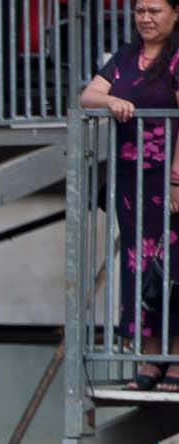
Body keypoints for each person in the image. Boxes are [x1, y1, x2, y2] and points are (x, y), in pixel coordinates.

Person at [82, 0, 179, 390]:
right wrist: (111, 100)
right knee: (138, 264)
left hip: (168, 178)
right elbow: (87, 96)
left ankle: (175, 357)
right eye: (140, 10)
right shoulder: (124, 56)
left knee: (174, 264)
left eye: (155, 10)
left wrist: (176, 178)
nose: (146, 18)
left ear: (175, 13)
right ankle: (150, 355)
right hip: (131, 179)